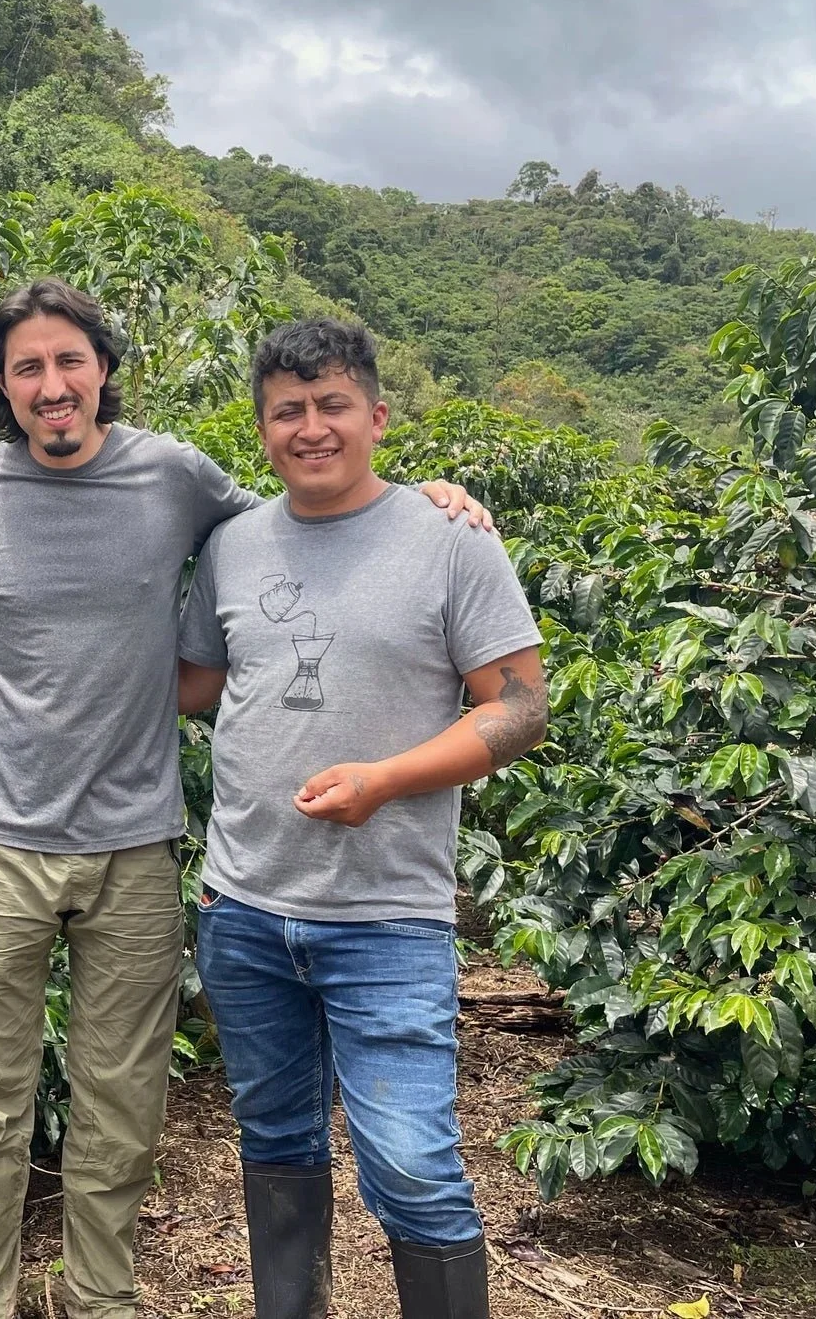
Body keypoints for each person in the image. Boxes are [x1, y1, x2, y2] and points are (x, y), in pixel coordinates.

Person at [0, 278, 491, 1319]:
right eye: (25, 369)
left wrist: (431, 500)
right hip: (0, 831)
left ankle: (101, 1301)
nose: (50, 385)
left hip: (136, 836)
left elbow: (308, 514)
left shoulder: (175, 475)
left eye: (68, 361)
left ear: (102, 371)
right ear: (1, 390)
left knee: (120, 1106)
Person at [177, 319, 548, 1319]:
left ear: (375, 416)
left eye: (330, 405)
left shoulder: (448, 541)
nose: (310, 428)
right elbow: (195, 686)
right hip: (244, 908)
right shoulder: (231, 544)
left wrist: (384, 780)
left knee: (414, 1165)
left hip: (387, 915)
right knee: (274, 1142)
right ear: (260, 430)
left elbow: (517, 705)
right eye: (286, 411)